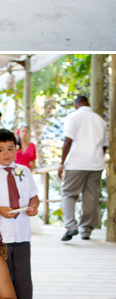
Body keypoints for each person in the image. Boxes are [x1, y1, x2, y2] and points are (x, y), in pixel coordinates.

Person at [0, 129, 39, 299]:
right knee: (4, 276)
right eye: (1, 150)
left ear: (16, 149)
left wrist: (33, 205)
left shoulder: (24, 171)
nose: (6, 153)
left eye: (10, 148)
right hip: (1, 235)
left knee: (24, 275)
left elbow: (34, 195)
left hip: (22, 233)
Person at [58, 94, 107, 242]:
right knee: (90, 197)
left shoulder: (73, 117)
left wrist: (61, 162)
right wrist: (97, 158)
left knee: (68, 193)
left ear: (76, 105)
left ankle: (71, 225)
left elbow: (67, 141)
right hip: (96, 163)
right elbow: (105, 146)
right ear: (88, 103)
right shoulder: (100, 120)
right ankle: (86, 230)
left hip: (77, 162)